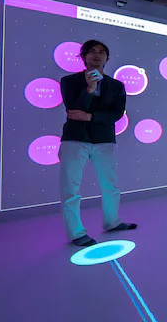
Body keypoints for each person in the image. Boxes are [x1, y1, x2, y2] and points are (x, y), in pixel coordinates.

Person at [59, 40, 137, 247]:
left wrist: (90, 117)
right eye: (92, 51)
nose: (97, 55)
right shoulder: (69, 81)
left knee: (110, 185)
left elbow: (117, 114)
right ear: (84, 56)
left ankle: (112, 222)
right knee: (70, 188)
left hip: (104, 140)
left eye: (102, 52)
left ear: (107, 58)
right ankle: (76, 233)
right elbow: (73, 110)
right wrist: (90, 88)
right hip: (74, 139)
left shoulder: (116, 85)